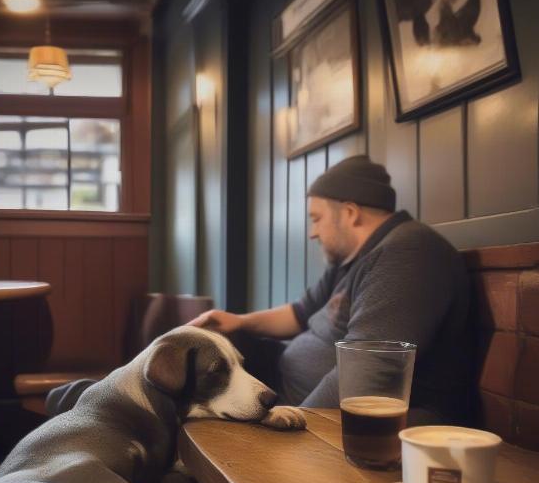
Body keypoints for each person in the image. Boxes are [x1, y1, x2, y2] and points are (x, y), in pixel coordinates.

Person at [188, 155, 472, 425]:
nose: (313, 232)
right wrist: (238, 321)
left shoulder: (409, 253)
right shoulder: (352, 259)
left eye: (316, 218)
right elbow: (299, 313)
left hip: (359, 421)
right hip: (287, 388)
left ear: (350, 213)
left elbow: (366, 375)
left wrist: (292, 424)